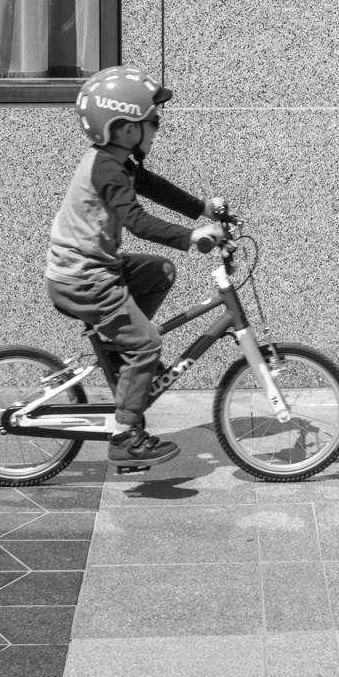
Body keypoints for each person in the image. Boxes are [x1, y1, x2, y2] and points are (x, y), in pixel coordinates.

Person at [46, 65, 233, 469]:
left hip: (96, 266)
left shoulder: (119, 162)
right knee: (147, 342)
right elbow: (136, 220)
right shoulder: (106, 168)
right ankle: (126, 435)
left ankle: (121, 353)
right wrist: (191, 237)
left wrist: (204, 209)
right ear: (125, 127)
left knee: (160, 272)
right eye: (153, 120)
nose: (157, 127)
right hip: (83, 277)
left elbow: (154, 187)